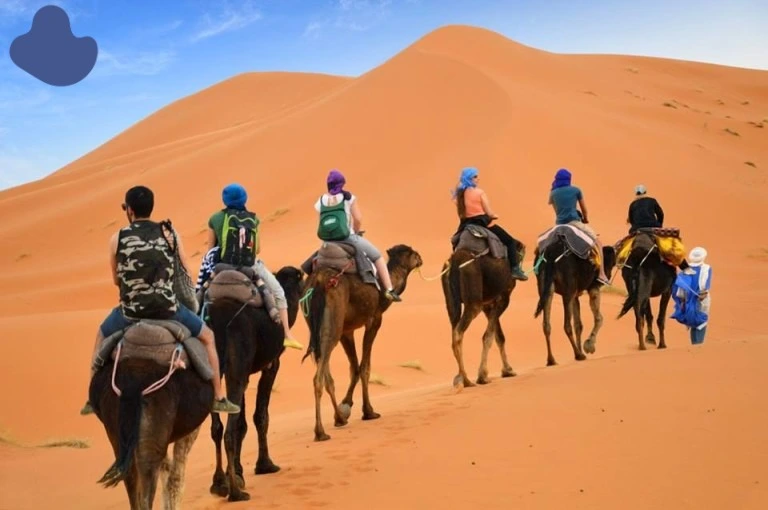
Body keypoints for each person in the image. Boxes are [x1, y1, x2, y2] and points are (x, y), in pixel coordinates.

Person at [81, 186, 241, 416]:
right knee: (208, 337)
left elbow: (117, 280)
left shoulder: (117, 238)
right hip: (168, 310)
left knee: (100, 335)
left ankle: (90, 399)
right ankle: (219, 397)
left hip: (130, 312)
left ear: (130, 211)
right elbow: (184, 270)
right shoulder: (169, 233)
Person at [206, 183, 303, 350]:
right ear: (245, 199)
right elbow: (257, 248)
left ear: (225, 199)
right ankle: (287, 334)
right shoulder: (253, 219)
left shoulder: (215, 218)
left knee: (198, 294)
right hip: (250, 267)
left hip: (222, 266)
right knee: (278, 292)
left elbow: (210, 249)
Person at [314, 169, 402, 302]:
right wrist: (355, 232)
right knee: (377, 256)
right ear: (342, 183)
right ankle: (389, 290)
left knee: (313, 261)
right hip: (347, 237)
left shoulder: (320, 201)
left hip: (327, 241)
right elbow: (358, 219)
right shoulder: (348, 197)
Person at [450, 167, 528, 281]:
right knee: (510, 241)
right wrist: (494, 215)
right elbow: (489, 212)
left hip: (466, 224)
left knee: (456, 242)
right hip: (483, 223)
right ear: (469, 178)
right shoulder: (480, 193)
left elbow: (460, 207)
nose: (478, 179)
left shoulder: (460, 196)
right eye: (475, 177)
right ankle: (515, 269)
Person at [547, 168, 610, 285]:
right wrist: (585, 219)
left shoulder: (553, 193)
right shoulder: (576, 190)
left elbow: (556, 211)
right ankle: (602, 274)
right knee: (598, 243)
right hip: (574, 222)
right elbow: (584, 210)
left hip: (559, 224)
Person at [627, 184, 690, 271]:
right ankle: (685, 267)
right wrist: (659, 225)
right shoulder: (652, 201)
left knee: (625, 248)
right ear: (645, 192)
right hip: (652, 228)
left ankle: (623, 264)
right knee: (671, 245)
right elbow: (660, 214)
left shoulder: (632, 204)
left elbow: (631, 219)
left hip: (637, 230)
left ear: (635, 194)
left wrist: (636, 226)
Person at [671, 246, 712, 344]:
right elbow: (706, 286)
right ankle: (698, 346)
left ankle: (694, 345)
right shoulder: (706, 268)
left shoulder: (685, 269)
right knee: (701, 321)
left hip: (687, 300)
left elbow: (678, 288)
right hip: (701, 299)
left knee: (693, 321)